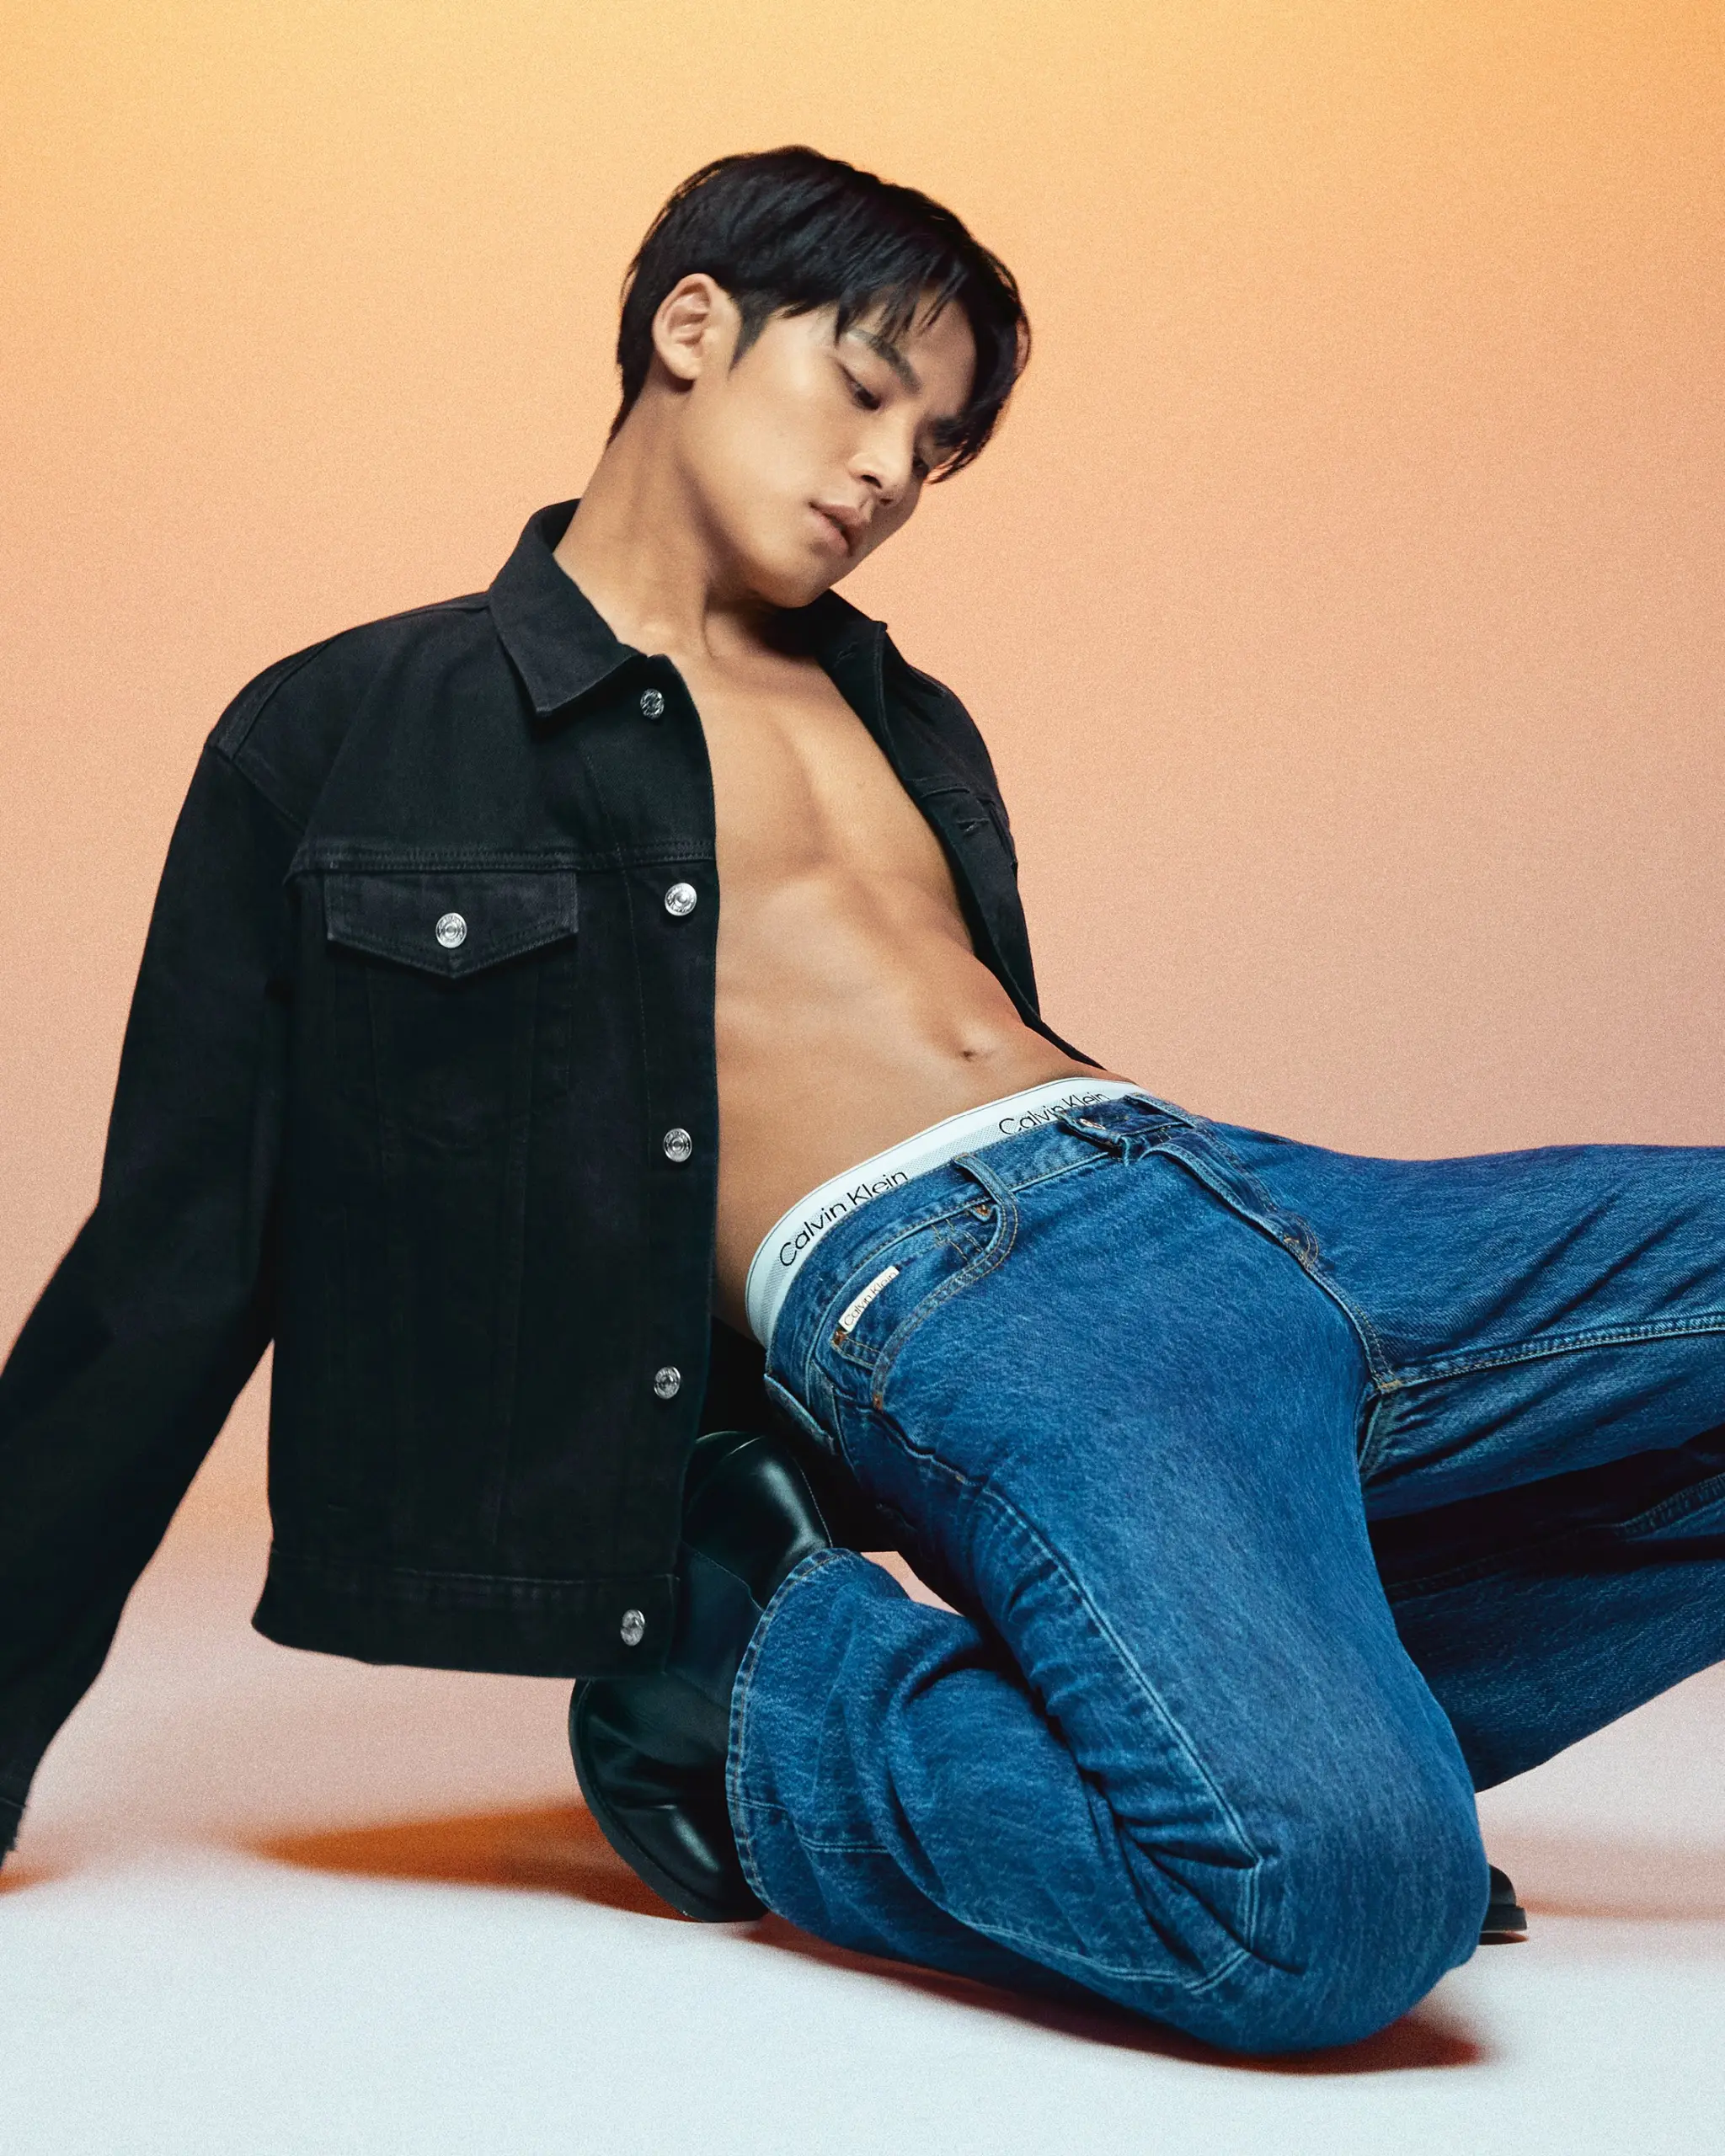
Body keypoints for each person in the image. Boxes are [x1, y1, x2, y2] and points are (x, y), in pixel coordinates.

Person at [2, 145, 1717, 2056]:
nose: (893, 472)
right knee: (1333, 1921)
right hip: (959, 1291)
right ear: (693, 326)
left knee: (1371, 1792)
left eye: (938, 447)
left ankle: (1300, 1744)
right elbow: (170, 1258)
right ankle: (759, 1692)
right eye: (867, 390)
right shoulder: (358, 724)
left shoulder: (908, 716)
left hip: (1228, 1192)